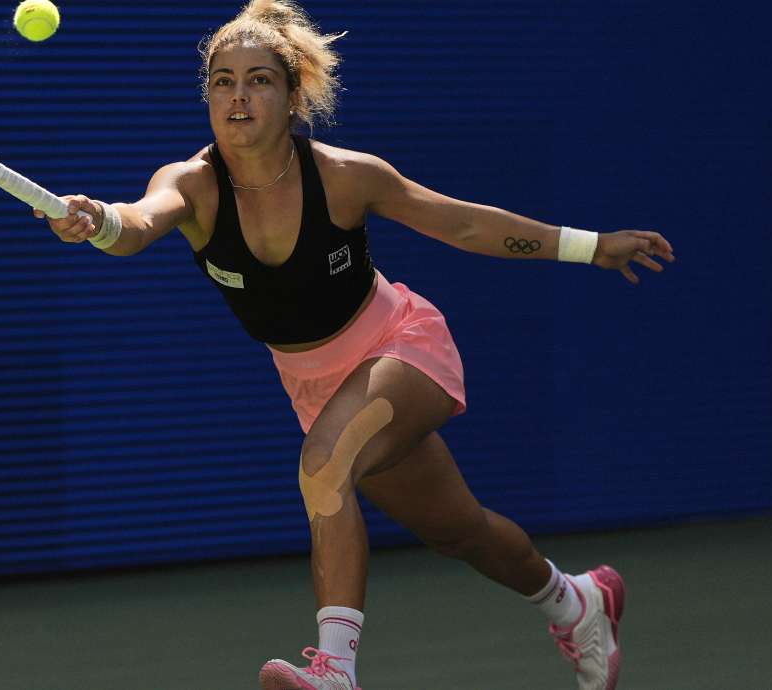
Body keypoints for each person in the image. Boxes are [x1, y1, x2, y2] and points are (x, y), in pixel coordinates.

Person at [37, 1, 675, 688]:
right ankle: (577, 602)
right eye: (222, 82)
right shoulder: (191, 185)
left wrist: (591, 246)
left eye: (258, 80)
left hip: (402, 346)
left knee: (324, 463)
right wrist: (99, 220)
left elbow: (463, 225)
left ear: (292, 98)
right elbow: (136, 225)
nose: (238, 96)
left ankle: (336, 668)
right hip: (314, 385)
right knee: (458, 531)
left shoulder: (345, 175)